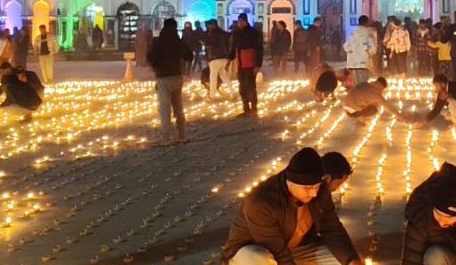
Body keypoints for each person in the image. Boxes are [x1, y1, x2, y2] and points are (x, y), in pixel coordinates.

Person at [222, 147, 362, 265]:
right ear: (290, 183)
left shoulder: (320, 190)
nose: (314, 193)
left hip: (297, 249)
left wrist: (351, 260)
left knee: (343, 260)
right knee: (258, 258)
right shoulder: (261, 202)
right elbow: (277, 250)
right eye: (308, 188)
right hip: (257, 251)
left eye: (317, 186)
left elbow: (333, 229)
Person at [146, 18, 194, 144]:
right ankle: (182, 135)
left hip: (163, 77)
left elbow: (150, 57)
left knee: (164, 108)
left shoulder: (158, 41)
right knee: (178, 107)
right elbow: (189, 56)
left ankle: (166, 137)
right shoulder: (178, 41)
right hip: (177, 76)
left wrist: (155, 66)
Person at [230, 13, 264, 117]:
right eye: (238, 21)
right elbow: (233, 47)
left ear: (245, 21)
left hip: (250, 63)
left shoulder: (253, 33)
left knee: (251, 87)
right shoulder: (236, 32)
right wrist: (229, 58)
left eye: (241, 21)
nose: (239, 23)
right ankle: (246, 109)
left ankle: (254, 108)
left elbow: (259, 49)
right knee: (242, 87)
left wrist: (258, 65)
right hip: (240, 63)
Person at [338, 77, 409, 121]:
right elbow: (388, 106)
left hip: (345, 106)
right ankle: (361, 116)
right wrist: (400, 116)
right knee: (374, 109)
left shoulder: (365, 84)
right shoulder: (375, 94)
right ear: (381, 86)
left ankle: (359, 113)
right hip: (353, 112)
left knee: (371, 102)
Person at [344, 16, 377, 84]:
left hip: (353, 63)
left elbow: (346, 46)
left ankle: (356, 93)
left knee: (355, 82)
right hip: (364, 62)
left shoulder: (353, 32)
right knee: (363, 83)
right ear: (366, 22)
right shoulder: (368, 33)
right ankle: (362, 93)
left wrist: (352, 53)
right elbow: (372, 48)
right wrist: (368, 54)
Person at [203, 20, 232, 99]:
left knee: (213, 77)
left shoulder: (212, 34)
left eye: (209, 25)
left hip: (215, 58)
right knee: (223, 75)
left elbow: (211, 44)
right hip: (224, 58)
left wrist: (205, 44)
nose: (208, 27)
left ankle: (212, 95)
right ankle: (232, 91)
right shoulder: (223, 33)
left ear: (213, 25)